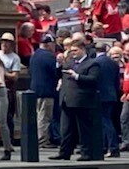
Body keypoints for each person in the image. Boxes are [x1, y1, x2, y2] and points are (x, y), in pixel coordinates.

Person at [52, 33, 103, 161]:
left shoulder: (92, 64)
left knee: (83, 129)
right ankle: (64, 152)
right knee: (66, 129)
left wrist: (77, 76)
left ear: (82, 50)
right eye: (71, 51)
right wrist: (58, 64)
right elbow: (59, 74)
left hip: (82, 101)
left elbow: (93, 79)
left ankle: (86, 153)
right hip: (66, 100)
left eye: (75, 50)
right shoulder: (69, 63)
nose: (72, 53)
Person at [30, 34, 60, 149]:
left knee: (39, 114)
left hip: (35, 89)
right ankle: (43, 140)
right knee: (45, 116)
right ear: (49, 44)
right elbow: (55, 72)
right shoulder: (49, 56)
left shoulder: (34, 55)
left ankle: (41, 138)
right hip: (47, 90)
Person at [95, 45, 122, 157]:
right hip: (111, 94)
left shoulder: (95, 62)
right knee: (107, 120)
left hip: (100, 95)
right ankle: (106, 146)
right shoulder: (113, 63)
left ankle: (112, 147)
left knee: (105, 121)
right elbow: (117, 82)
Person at [0, 33, 22, 142]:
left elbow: (15, 77)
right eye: (3, 42)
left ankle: (9, 138)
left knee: (8, 115)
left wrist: (3, 72)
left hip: (8, 89)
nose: (4, 44)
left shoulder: (15, 58)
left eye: (7, 42)